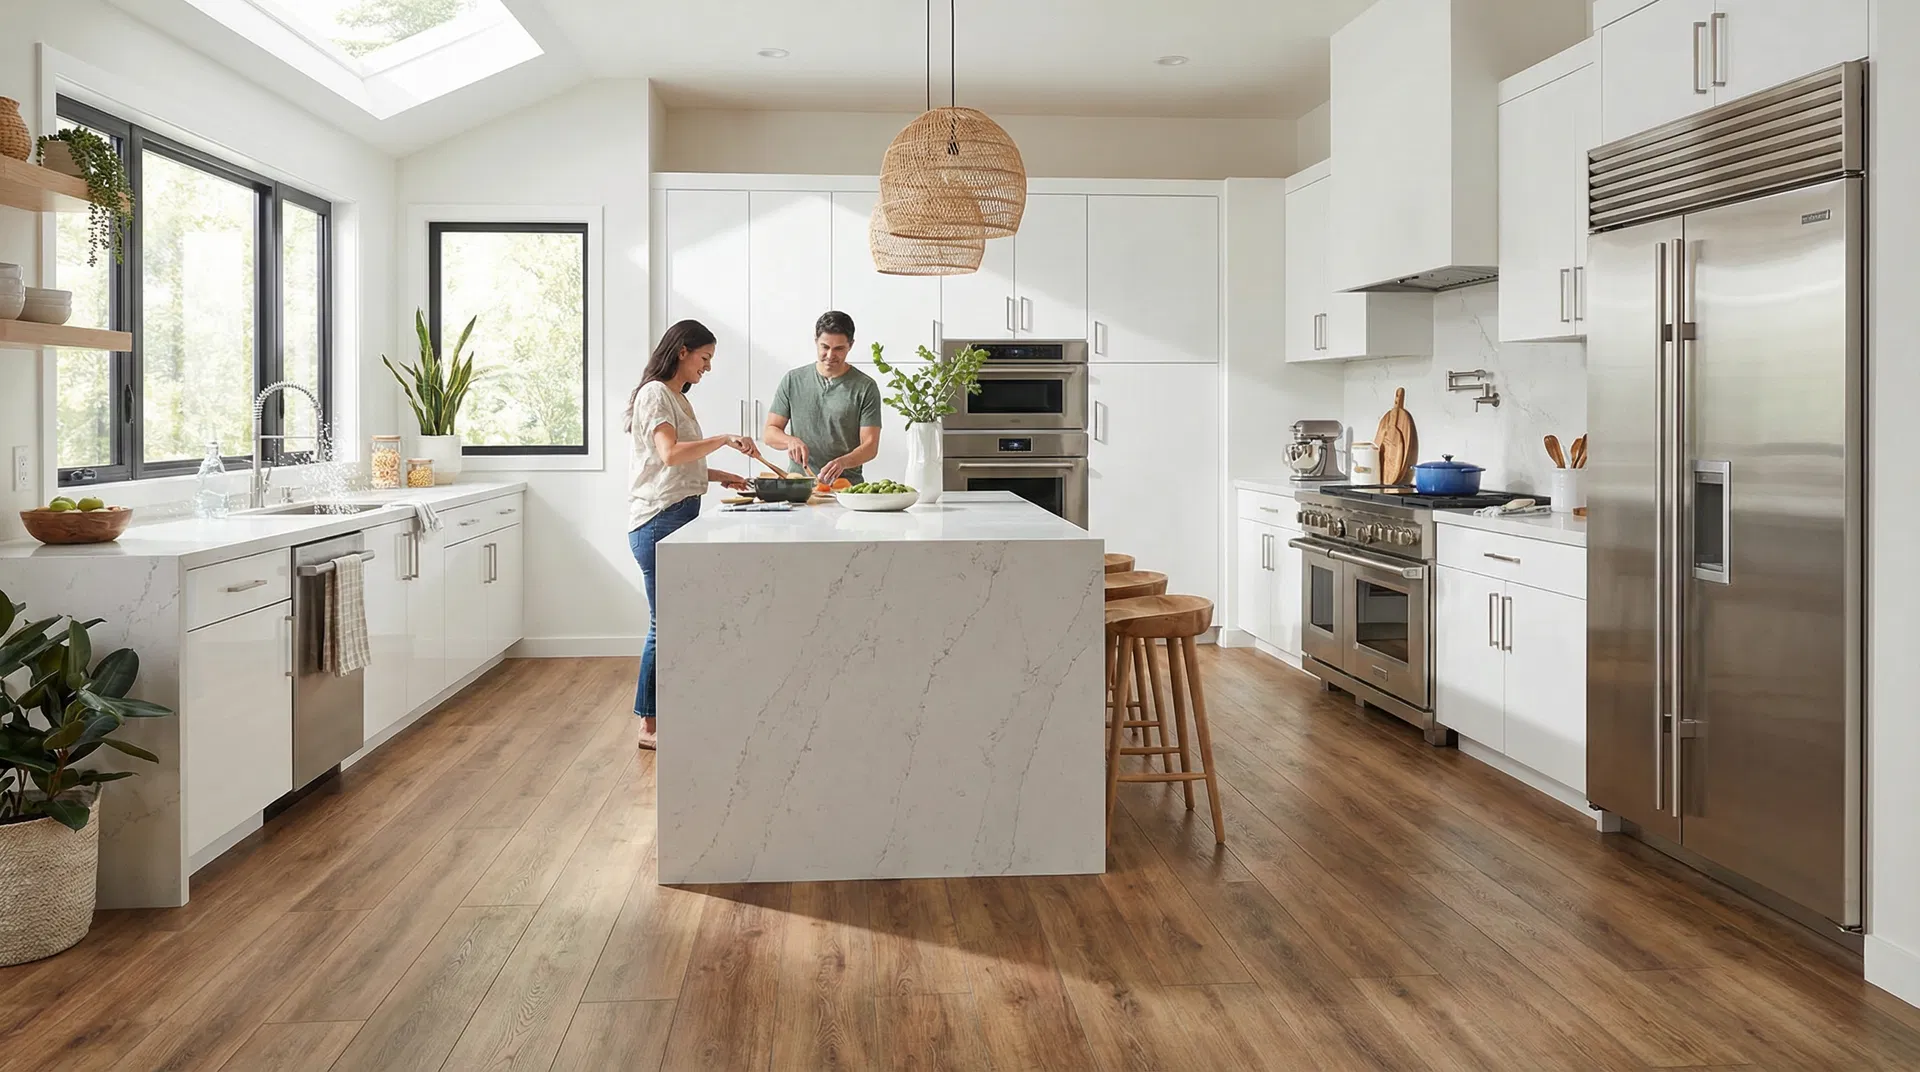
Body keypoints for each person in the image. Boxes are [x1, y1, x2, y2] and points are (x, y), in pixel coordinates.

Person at [626, 319, 753, 751]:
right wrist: (723, 439)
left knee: (677, 621)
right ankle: (649, 725)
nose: (708, 368)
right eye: (705, 358)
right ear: (682, 351)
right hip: (658, 520)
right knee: (665, 624)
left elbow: (677, 464)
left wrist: (718, 476)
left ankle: (673, 712)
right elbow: (669, 453)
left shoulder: (676, 398)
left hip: (677, 514)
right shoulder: (655, 394)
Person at [762, 310, 885, 486]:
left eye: (839, 349)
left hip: (847, 488)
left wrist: (843, 462)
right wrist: (790, 441)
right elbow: (770, 433)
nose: (830, 355)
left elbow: (870, 446)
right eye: (825, 347)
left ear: (851, 345)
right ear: (816, 341)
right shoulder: (793, 380)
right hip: (800, 487)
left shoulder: (865, 387)